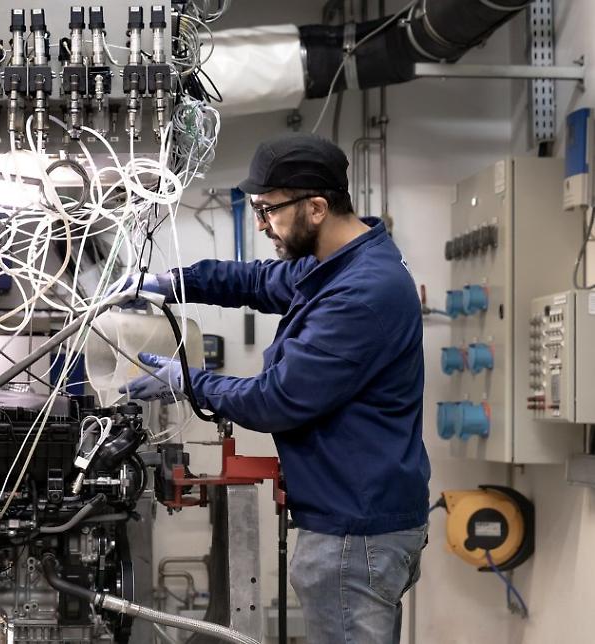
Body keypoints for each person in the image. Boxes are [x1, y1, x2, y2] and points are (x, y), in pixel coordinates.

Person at [120, 133, 430, 644]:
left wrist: (187, 383)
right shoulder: (340, 263)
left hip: (355, 536)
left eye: (268, 210)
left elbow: (276, 400)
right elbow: (260, 281)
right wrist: (171, 281)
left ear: (315, 207)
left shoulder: (362, 292)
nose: (261, 225)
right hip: (359, 520)